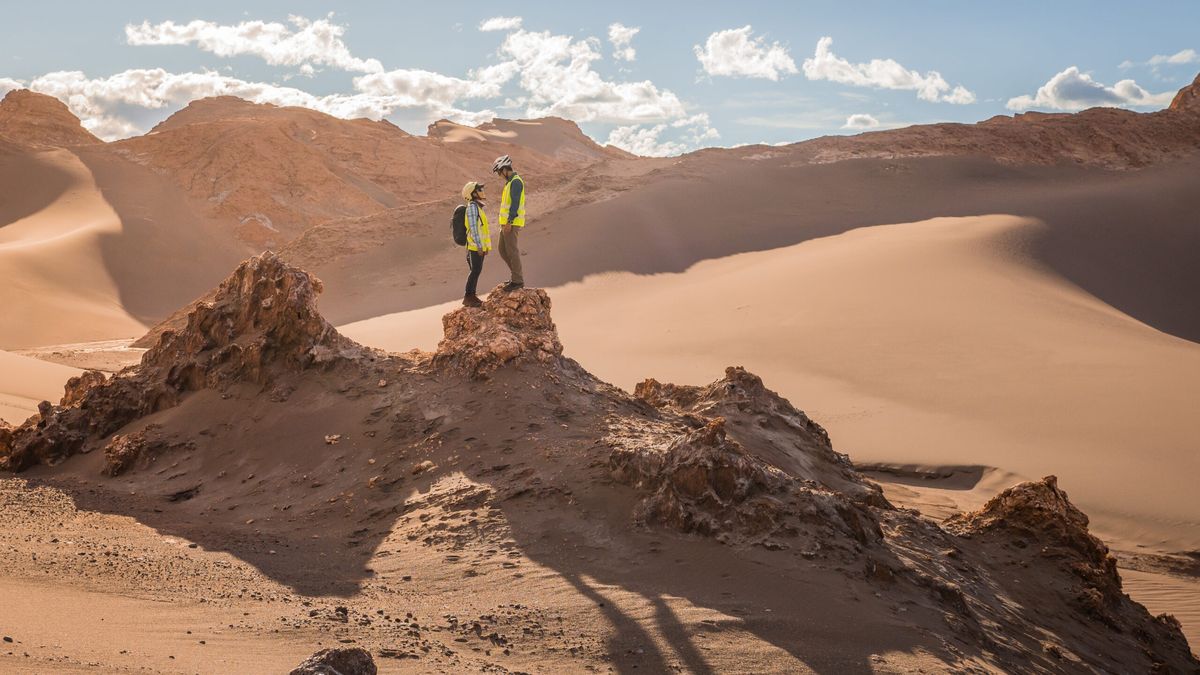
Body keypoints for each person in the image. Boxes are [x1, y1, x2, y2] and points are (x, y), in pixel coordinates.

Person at [492, 155, 526, 291]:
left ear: (505, 169)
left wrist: (510, 222)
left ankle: (517, 281)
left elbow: (515, 204)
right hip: (505, 223)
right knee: (502, 250)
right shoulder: (509, 183)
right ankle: (516, 276)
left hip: (511, 223)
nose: (499, 175)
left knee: (512, 251)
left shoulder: (516, 182)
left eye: (499, 172)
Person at [461, 180, 490, 307]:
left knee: (476, 270)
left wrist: (485, 246)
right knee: (475, 270)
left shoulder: (477, 207)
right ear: (472, 194)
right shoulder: (472, 208)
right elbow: (474, 228)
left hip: (478, 246)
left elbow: (482, 228)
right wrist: (479, 245)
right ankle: (468, 296)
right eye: (479, 190)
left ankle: (472, 295)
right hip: (474, 247)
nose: (482, 191)